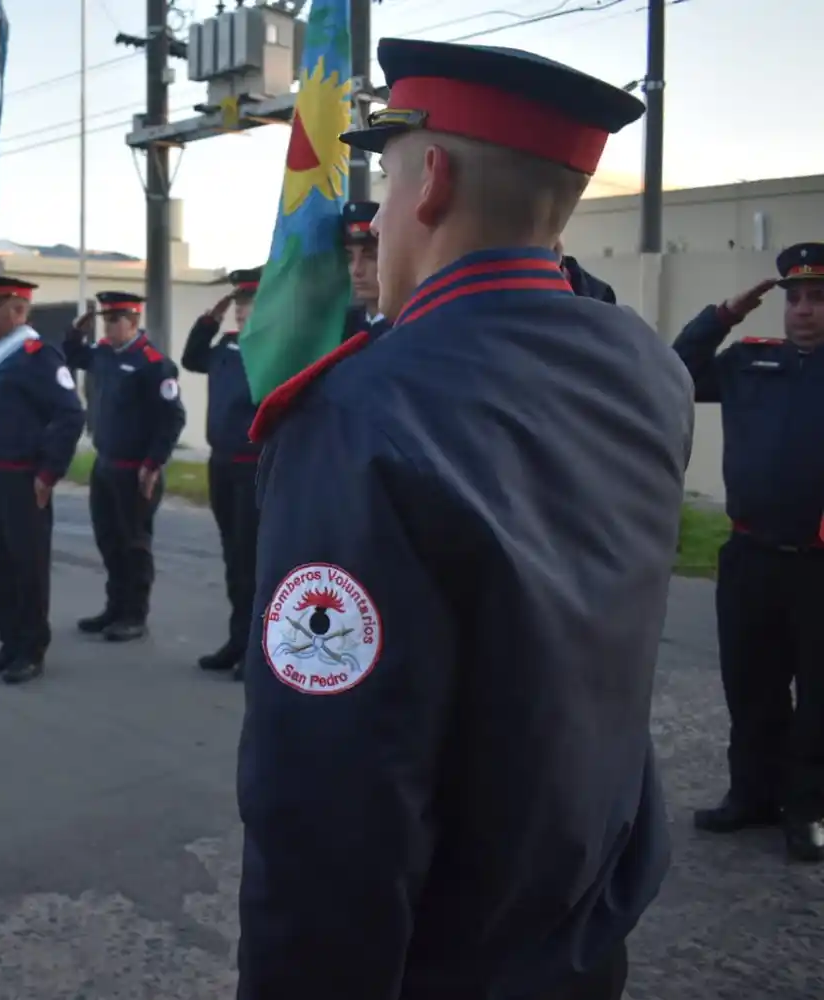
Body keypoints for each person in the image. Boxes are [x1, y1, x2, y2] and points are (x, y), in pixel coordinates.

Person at [235, 38, 693, 999]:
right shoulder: (645, 365)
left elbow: (331, 804)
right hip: (583, 926)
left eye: (389, 183)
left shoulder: (357, 416)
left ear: (431, 181)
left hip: (449, 962)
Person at [673, 244, 824, 863]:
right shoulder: (749, 363)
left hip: (819, 564)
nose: (804, 311)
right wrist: (722, 316)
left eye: (817, 299)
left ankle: (809, 810)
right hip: (750, 554)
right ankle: (751, 795)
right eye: (795, 299)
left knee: (818, 698)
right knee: (750, 685)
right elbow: (675, 369)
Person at [0, 275, 85, 684]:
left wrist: (49, 471)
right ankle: (9, 641)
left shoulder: (37, 355)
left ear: (18, 310)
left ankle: (31, 649)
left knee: (26, 565)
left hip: (22, 480)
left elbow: (70, 414)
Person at [63, 292, 187, 642]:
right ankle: (114, 607)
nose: (109, 326)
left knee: (134, 544)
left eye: (115, 320)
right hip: (105, 464)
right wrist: (77, 331)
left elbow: (172, 418)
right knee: (109, 540)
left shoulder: (153, 364)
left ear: (133, 322)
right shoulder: (104, 353)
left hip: (136, 470)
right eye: (106, 320)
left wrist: (153, 463)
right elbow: (72, 356)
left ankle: (135, 615)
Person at [181, 267, 264, 678]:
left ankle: (257, 650)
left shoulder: (273, 348)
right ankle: (237, 639)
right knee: (233, 558)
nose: (243, 313)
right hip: (222, 464)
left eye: (250, 304)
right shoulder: (225, 347)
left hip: (255, 466)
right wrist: (209, 320)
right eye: (240, 304)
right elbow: (191, 359)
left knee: (254, 561)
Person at [342, 200, 390, 338]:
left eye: (370, 256)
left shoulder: (409, 326)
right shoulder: (344, 327)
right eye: (349, 258)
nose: (356, 270)